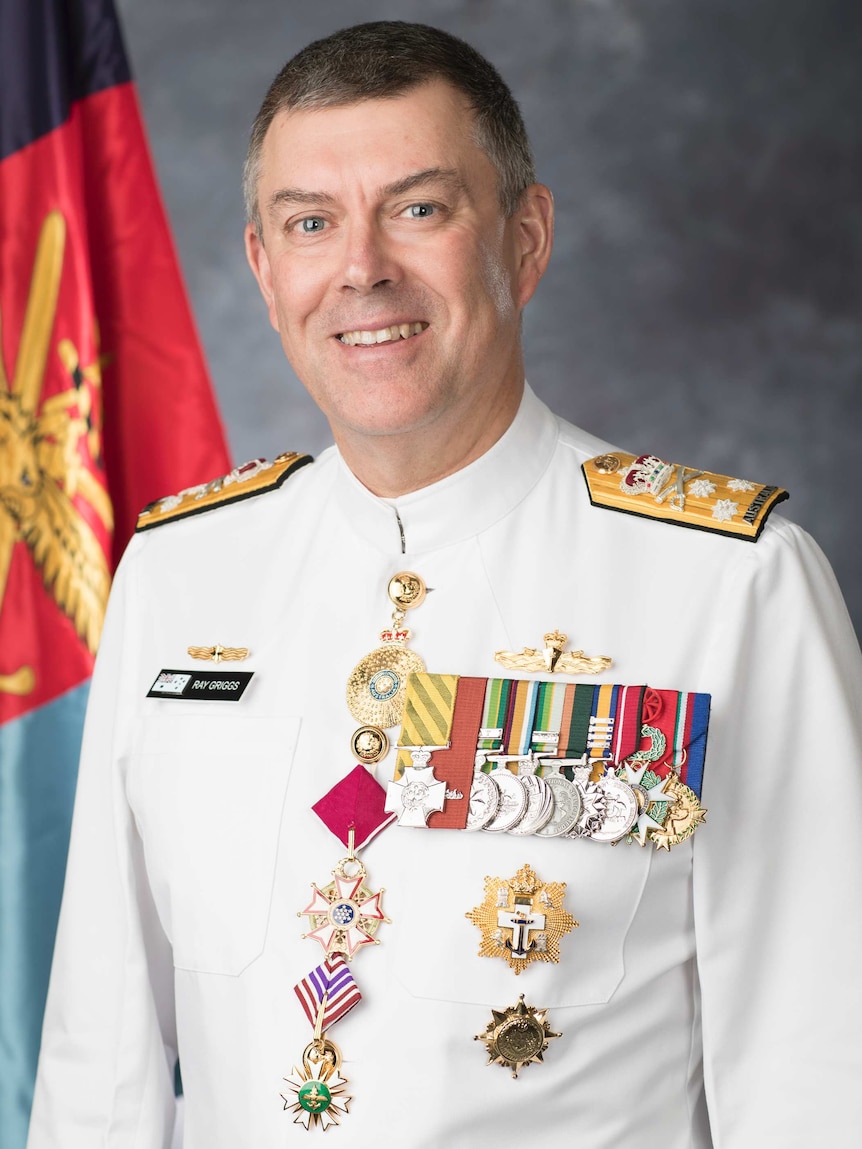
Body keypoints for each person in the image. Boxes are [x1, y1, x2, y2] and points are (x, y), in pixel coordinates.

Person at [27, 21, 862, 1148]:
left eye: (419, 208)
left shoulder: (729, 588)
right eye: (310, 223)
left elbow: (818, 1075)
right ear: (267, 274)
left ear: (524, 239)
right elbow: (103, 1062)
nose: (362, 268)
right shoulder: (179, 572)